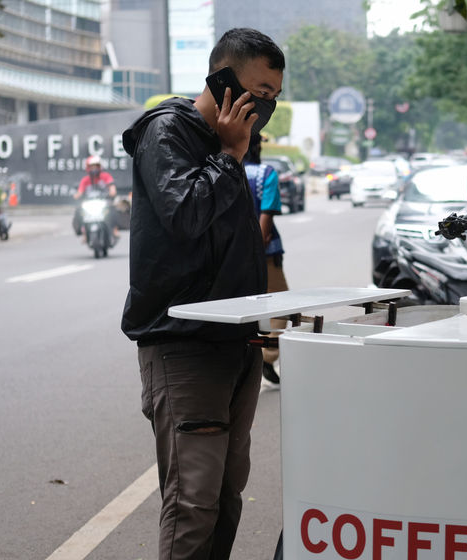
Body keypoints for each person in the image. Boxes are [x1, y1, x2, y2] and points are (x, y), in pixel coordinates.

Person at [120, 27, 283, 560]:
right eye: (259, 91)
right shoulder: (166, 132)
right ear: (221, 78)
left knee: (227, 492)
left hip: (238, 343)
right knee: (193, 498)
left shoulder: (232, 142)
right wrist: (231, 155)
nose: (265, 106)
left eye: (274, 97)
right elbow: (185, 214)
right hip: (184, 343)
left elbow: (238, 243)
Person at [244, 132, 288, 384]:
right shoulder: (265, 174)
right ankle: (267, 354)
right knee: (284, 304)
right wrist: (254, 250)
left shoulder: (224, 168)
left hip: (227, 255)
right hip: (264, 255)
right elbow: (266, 218)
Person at [72, 155, 118, 238]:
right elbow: (80, 191)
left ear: (100, 167)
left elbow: (112, 187)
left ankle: (114, 229)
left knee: (113, 209)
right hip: (90, 203)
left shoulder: (105, 176)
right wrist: (76, 195)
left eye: (96, 166)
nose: (94, 169)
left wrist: (112, 191)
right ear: (88, 167)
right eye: (92, 167)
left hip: (104, 201)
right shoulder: (85, 180)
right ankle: (84, 232)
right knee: (79, 210)